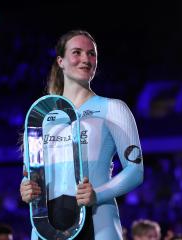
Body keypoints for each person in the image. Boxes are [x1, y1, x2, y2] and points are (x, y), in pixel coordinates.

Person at [20, 29, 144, 239]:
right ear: (61, 61)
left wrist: (97, 195)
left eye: (91, 54)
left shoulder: (113, 108)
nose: (85, 59)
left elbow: (135, 171)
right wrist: (26, 189)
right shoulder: (40, 116)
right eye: (77, 52)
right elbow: (30, 175)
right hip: (46, 230)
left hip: (98, 225)